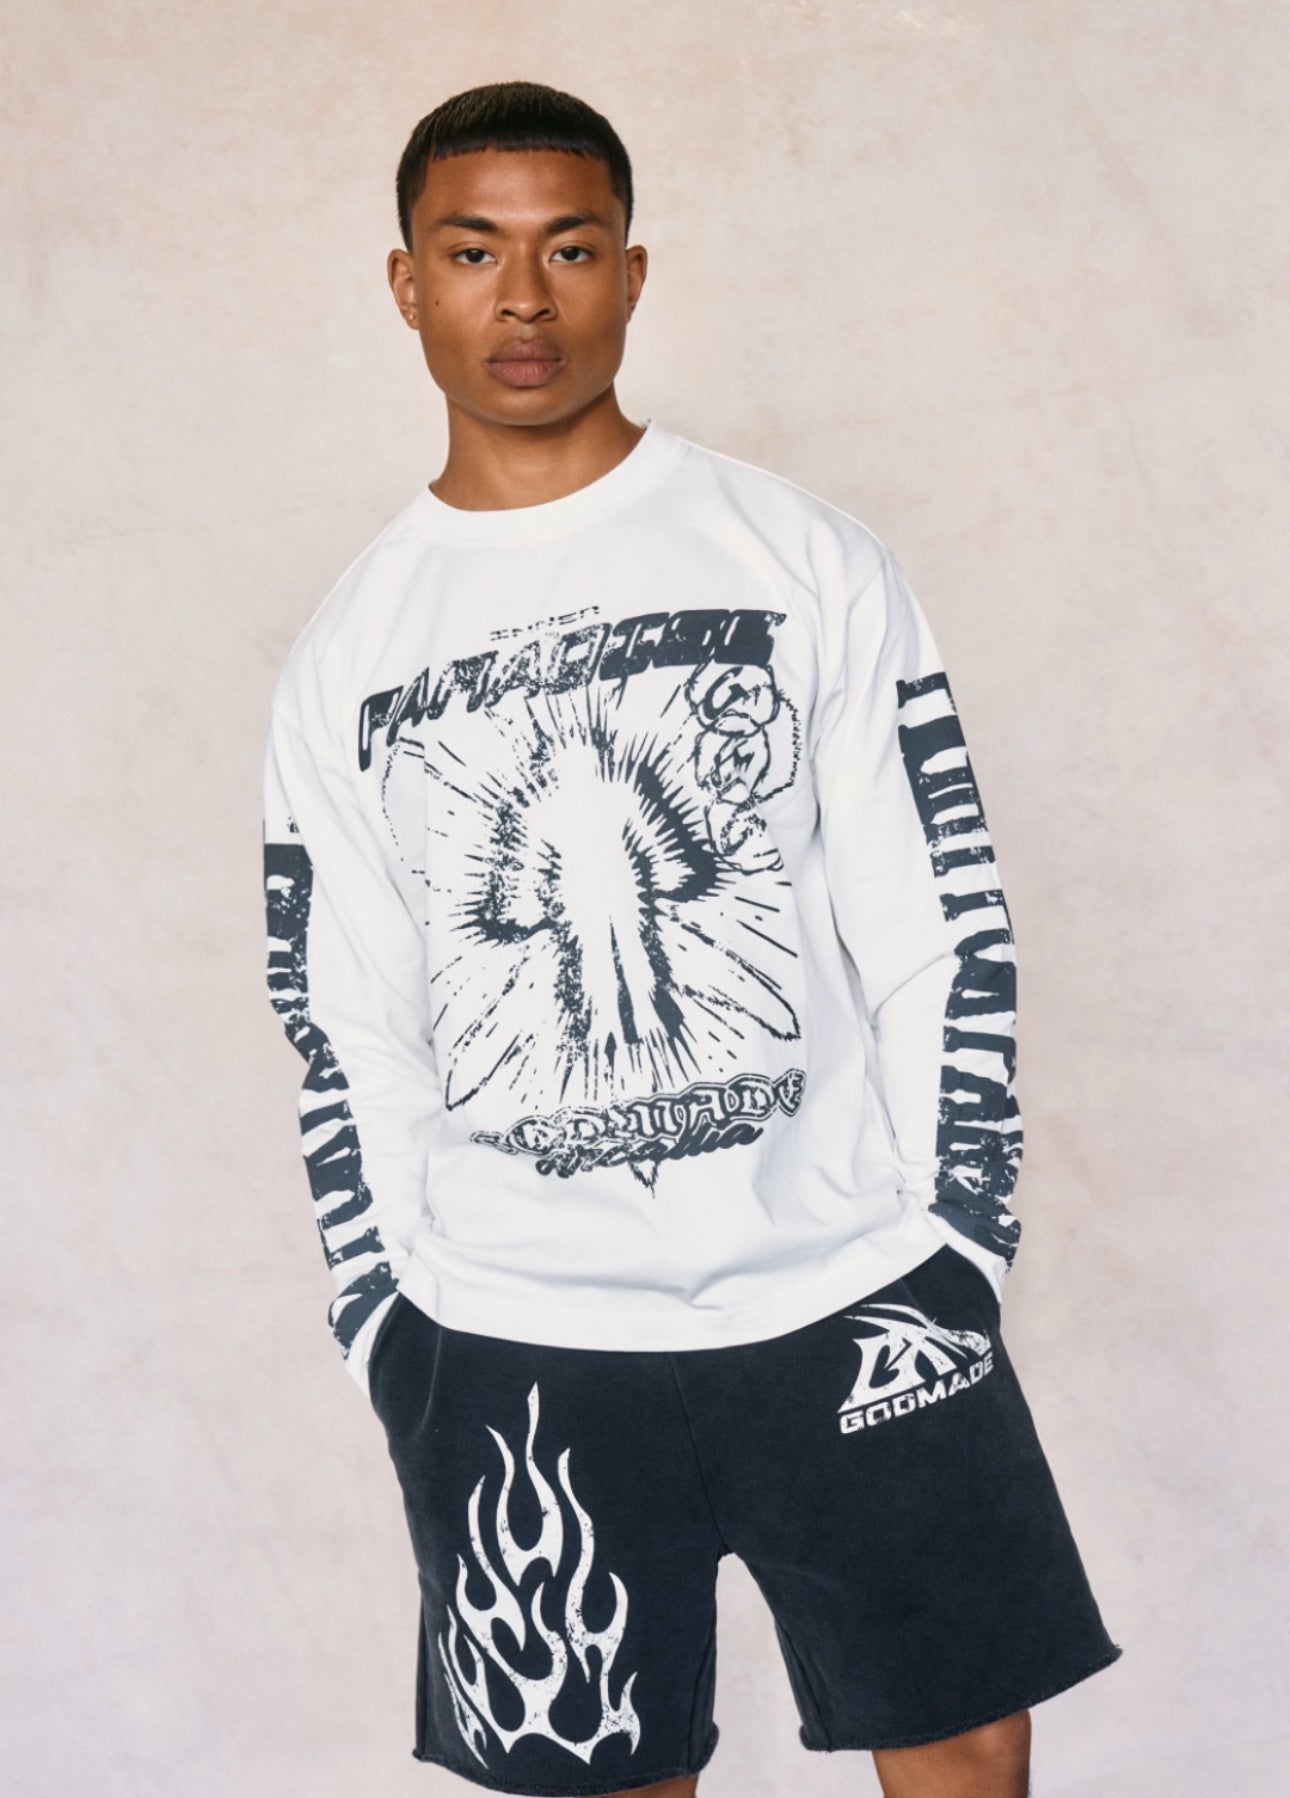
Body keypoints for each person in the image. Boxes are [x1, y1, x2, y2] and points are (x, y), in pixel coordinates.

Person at [261, 78, 1123, 1798]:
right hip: (516, 1334)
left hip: (848, 1285)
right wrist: (387, 1314)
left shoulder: (799, 556)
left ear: (632, 273)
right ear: (406, 282)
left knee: (964, 1743)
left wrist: (954, 1239)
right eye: (473, 252)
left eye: (569, 249)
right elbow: (341, 1013)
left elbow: (934, 914)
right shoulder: (348, 650)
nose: (524, 297)